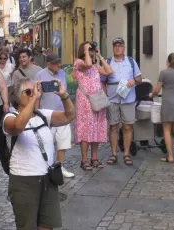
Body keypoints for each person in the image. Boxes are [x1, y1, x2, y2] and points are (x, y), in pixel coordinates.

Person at [4, 78, 75, 230]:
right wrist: (34, 98)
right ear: (17, 98)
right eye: (28, 92)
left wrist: (64, 96)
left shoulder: (43, 115)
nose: (33, 94)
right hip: (24, 181)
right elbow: (18, 126)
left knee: (47, 226)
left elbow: (69, 116)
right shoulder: (9, 118)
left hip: (47, 179)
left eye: (35, 91)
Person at [101, 37, 142, 166]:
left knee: (127, 126)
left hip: (128, 98)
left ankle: (126, 153)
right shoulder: (108, 61)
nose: (117, 48)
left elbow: (139, 78)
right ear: (113, 48)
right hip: (112, 98)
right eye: (115, 45)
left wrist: (134, 81)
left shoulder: (131, 61)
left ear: (124, 47)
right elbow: (102, 80)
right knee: (113, 126)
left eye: (120, 45)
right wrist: (104, 95)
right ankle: (113, 153)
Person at [74, 42, 113, 170]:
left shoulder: (95, 66)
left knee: (96, 128)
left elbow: (109, 71)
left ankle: (94, 157)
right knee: (86, 129)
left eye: (91, 50)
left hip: (97, 100)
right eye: (89, 50)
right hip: (84, 100)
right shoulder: (79, 62)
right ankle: (84, 159)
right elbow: (88, 64)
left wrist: (100, 55)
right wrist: (86, 49)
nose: (90, 52)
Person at [35, 53, 75, 178]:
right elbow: (37, 96)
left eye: (59, 62)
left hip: (62, 113)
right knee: (48, 141)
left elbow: (66, 91)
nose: (59, 65)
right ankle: (47, 167)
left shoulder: (62, 73)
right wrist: (36, 112)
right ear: (48, 64)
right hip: (47, 115)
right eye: (56, 63)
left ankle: (60, 167)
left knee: (62, 141)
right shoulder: (40, 75)